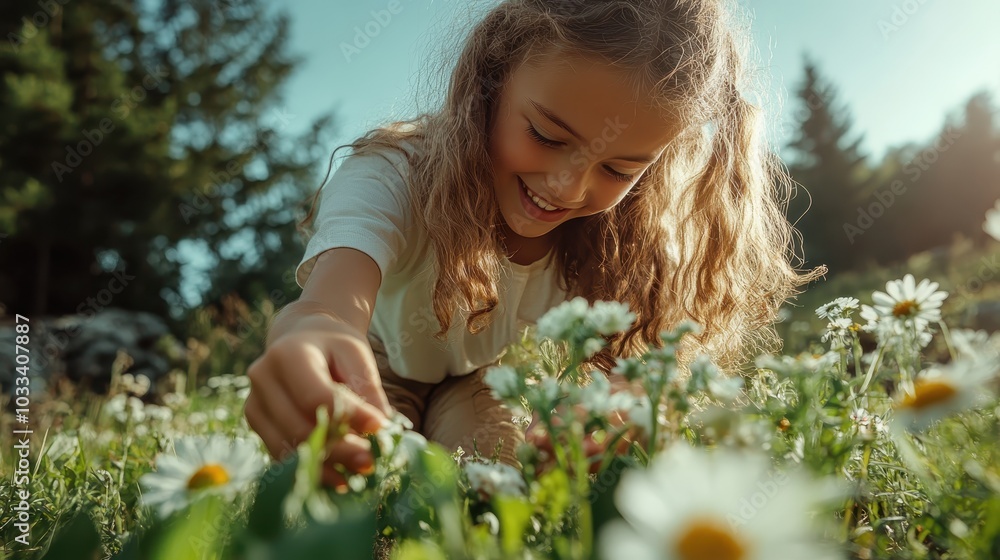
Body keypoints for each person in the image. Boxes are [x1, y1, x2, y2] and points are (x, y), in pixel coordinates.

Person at [244, 0, 823, 489]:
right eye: (546, 135)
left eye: (620, 169)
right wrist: (314, 326)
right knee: (348, 478)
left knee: (496, 477)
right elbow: (331, 302)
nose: (567, 186)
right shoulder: (395, 176)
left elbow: (628, 371)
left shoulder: (609, 243)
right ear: (492, 80)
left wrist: (620, 408)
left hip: (472, 380)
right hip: (367, 369)